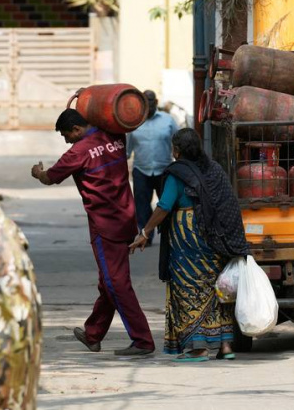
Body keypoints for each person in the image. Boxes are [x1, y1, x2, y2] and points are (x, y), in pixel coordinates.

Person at [30, 109, 156, 356]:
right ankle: (93, 334)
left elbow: (49, 178)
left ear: (76, 129)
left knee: (116, 283)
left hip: (105, 225)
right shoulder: (115, 136)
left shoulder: (78, 152)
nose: (66, 141)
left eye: (66, 135)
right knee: (108, 280)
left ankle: (142, 340)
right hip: (126, 218)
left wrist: (37, 172)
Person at [129, 128, 250, 362]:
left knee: (188, 289)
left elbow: (164, 206)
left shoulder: (177, 174)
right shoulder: (214, 169)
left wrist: (145, 231)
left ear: (177, 150)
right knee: (219, 289)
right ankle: (226, 346)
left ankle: (199, 348)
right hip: (215, 236)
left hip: (188, 237)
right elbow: (228, 201)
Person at [126, 90, 178, 246]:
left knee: (168, 204)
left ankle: (170, 235)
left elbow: (178, 143)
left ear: (155, 102)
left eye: (150, 101)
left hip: (165, 170)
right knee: (142, 206)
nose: (147, 105)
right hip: (141, 170)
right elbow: (127, 151)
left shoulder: (168, 120)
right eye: (144, 101)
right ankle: (145, 236)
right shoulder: (133, 123)